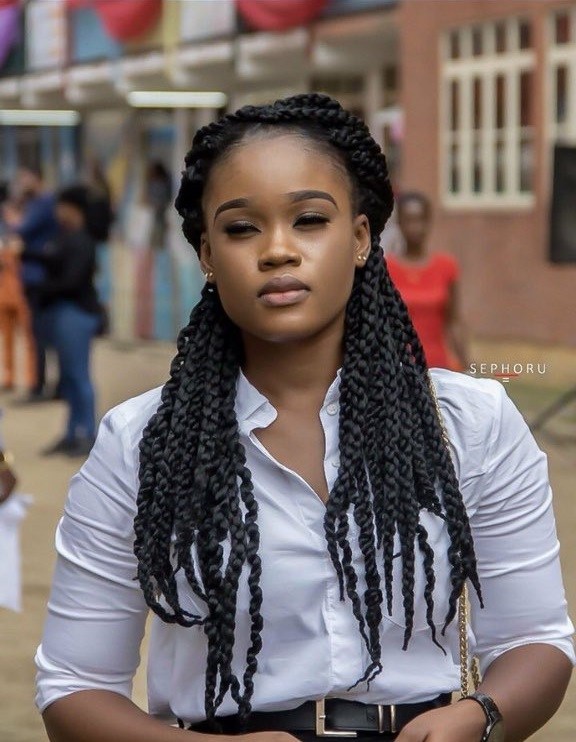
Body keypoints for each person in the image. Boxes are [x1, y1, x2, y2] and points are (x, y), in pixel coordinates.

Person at [35, 94, 574, 742]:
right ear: (207, 255)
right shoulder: (139, 444)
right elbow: (73, 686)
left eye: (309, 220)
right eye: (242, 229)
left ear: (361, 237)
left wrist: (477, 718)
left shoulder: (471, 424)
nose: (278, 250)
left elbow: (536, 640)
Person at [39, 185, 101, 457]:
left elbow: (72, 280)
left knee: (78, 375)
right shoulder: (64, 236)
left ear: (72, 209)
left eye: (61, 206)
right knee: (67, 376)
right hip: (62, 312)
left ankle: (87, 432)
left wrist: (41, 288)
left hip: (76, 313)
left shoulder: (82, 241)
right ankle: (71, 432)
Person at [385, 192, 469, 372]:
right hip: (398, 368)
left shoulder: (446, 266)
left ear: (429, 222)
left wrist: (467, 365)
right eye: (409, 220)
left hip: (439, 368)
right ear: (399, 224)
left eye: (420, 220)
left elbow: (454, 322)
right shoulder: (386, 269)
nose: (415, 227)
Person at [7, 167, 58, 400]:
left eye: (24, 178)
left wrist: (12, 215)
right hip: (33, 275)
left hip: (38, 277)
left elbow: (21, 228)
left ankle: (39, 385)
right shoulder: (36, 203)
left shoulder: (43, 203)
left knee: (38, 333)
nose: (20, 183)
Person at [0, 190, 37, 393]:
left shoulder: (28, 240)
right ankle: (9, 376)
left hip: (23, 295)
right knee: (7, 340)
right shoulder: (6, 238)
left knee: (29, 339)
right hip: (4, 295)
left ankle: (32, 378)